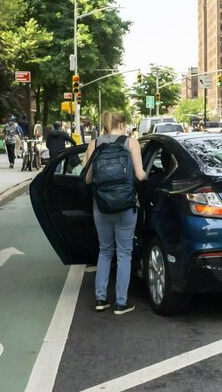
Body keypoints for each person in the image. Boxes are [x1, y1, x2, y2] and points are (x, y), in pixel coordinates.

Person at [83, 111, 147, 315]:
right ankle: (121, 302)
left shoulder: (94, 144)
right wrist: (147, 173)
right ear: (122, 124)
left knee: (105, 251)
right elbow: (139, 175)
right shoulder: (131, 143)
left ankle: (101, 299)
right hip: (126, 206)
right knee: (124, 253)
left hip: (101, 206)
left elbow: (86, 179)